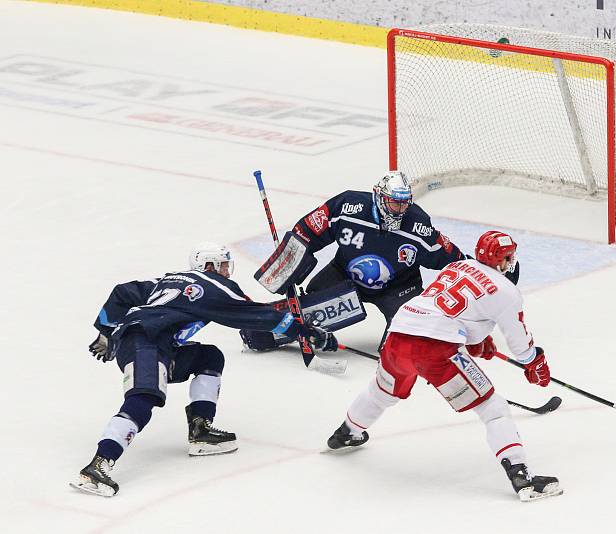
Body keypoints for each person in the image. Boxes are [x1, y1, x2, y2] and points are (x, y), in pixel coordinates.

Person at [72, 242, 337, 497]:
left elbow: (123, 292)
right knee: (143, 398)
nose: (227, 271)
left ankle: (200, 429)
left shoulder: (171, 279)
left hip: (151, 343)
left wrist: (106, 333)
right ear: (208, 265)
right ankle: (98, 465)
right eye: (223, 265)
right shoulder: (214, 287)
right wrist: (307, 332)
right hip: (146, 343)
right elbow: (257, 314)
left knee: (209, 357)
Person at [324, 231, 562, 502]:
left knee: (382, 392)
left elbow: (449, 310)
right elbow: (521, 346)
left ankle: (347, 432)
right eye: (509, 258)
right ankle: (521, 475)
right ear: (502, 260)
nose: (512, 262)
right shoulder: (507, 291)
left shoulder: (458, 266)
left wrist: (474, 341)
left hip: (398, 334)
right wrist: (535, 362)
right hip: (435, 350)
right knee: (493, 409)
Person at [240, 170, 469, 351]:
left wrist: (481, 270)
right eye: (393, 202)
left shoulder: (419, 226)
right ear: (379, 196)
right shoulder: (348, 206)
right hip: (344, 275)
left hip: (399, 287)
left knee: (402, 342)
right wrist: (289, 264)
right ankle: (262, 330)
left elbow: (452, 259)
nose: (400, 210)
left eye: (404, 203)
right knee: (312, 306)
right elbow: (306, 231)